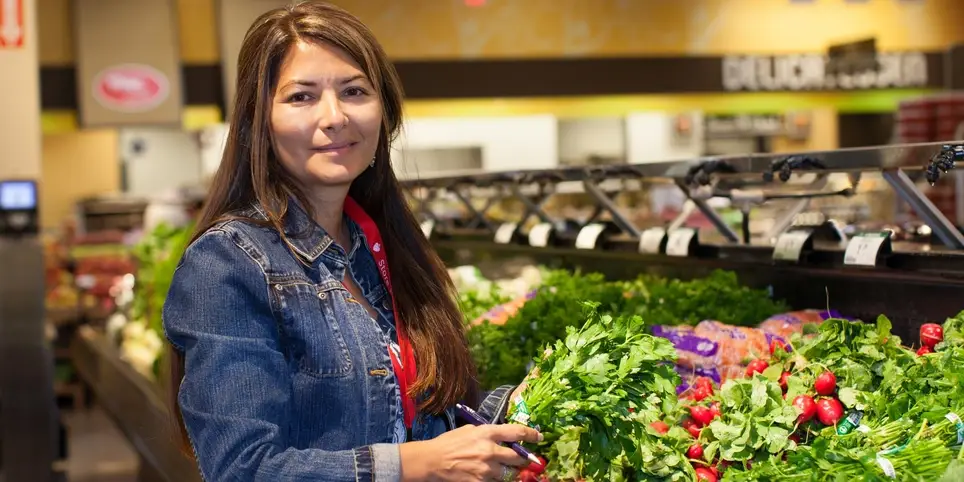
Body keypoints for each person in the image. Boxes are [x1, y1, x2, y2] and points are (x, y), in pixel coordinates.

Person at [161, 2, 541, 481]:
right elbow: (243, 469)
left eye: (354, 91)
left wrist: (523, 406)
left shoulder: (383, 244)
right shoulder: (227, 263)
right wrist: (413, 466)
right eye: (302, 97)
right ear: (259, 119)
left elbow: (419, 418)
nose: (335, 116)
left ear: (384, 112)